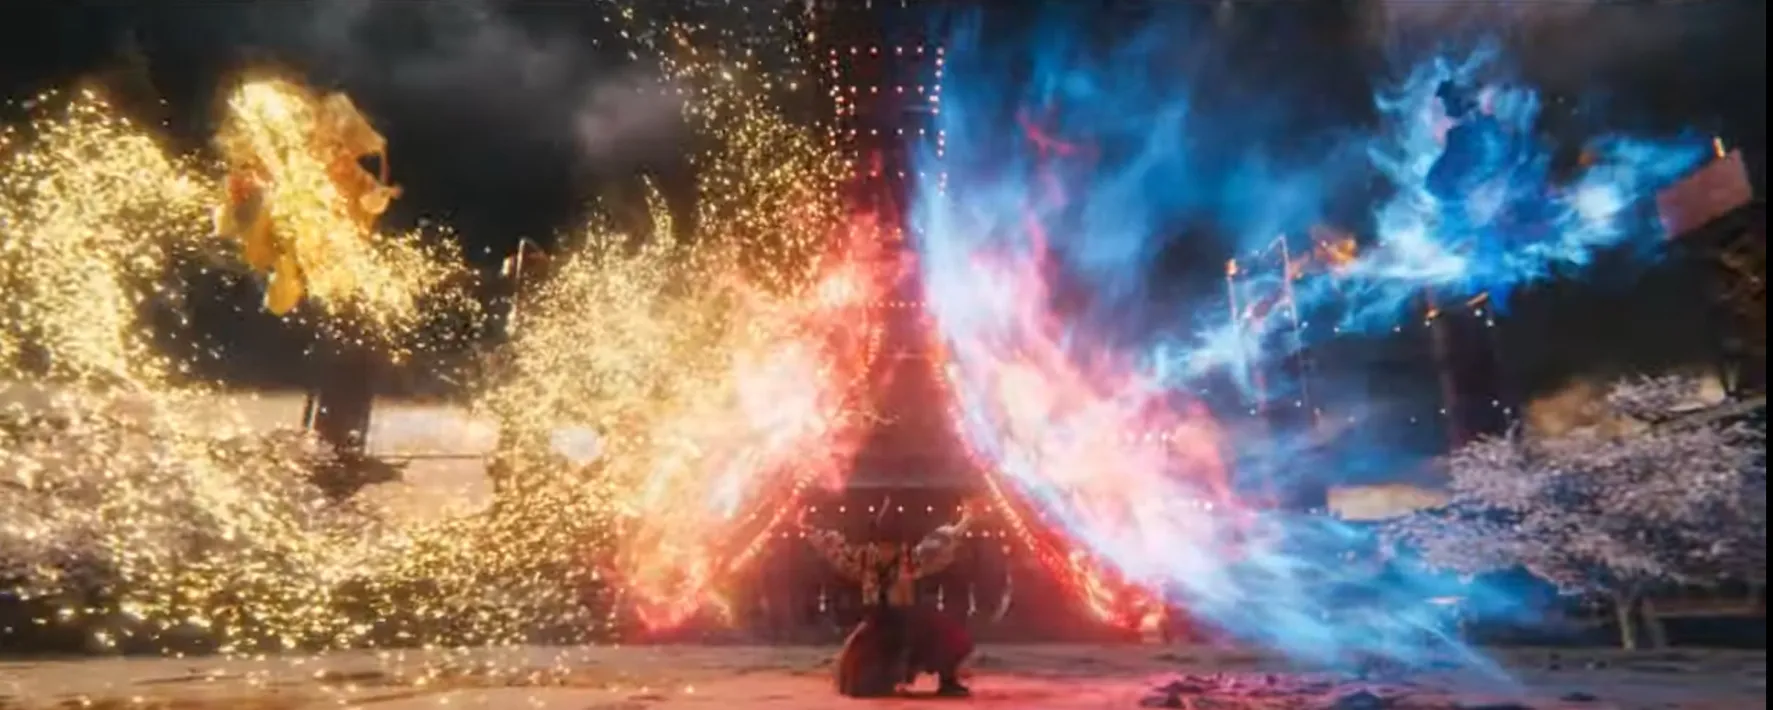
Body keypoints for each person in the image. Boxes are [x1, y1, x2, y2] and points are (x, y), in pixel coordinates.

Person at [801, 499, 977, 697]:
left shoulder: (876, 557)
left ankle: (944, 680)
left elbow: (833, 548)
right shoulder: (897, 557)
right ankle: (943, 681)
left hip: (896, 621)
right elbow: (940, 545)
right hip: (890, 622)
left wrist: (807, 527)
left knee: (946, 638)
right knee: (947, 639)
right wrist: (965, 521)